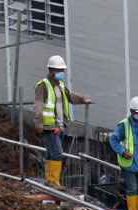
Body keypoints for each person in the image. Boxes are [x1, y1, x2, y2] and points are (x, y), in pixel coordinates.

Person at [34, 55, 94, 186]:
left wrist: (84, 99)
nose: (61, 72)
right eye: (58, 70)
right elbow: (38, 105)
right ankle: (54, 181)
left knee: (51, 152)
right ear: (51, 70)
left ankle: (50, 180)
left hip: (60, 126)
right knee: (56, 153)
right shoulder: (43, 85)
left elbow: (71, 96)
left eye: (62, 70)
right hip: (50, 126)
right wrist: (38, 122)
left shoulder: (60, 85)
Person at [109, 96, 138, 210]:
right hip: (129, 164)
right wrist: (123, 152)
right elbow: (113, 140)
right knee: (132, 188)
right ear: (132, 111)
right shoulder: (124, 125)